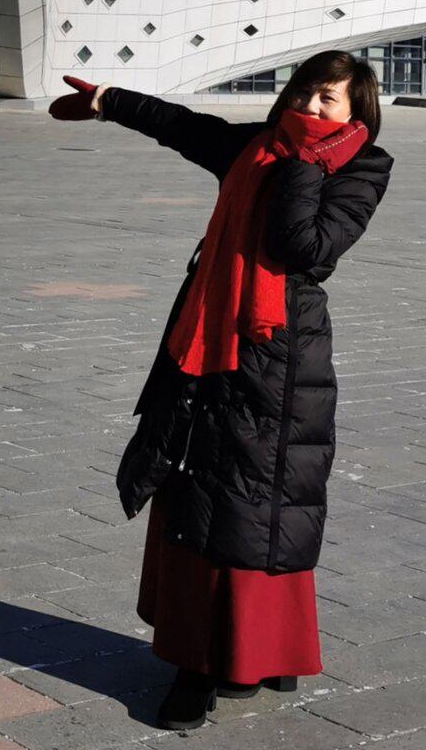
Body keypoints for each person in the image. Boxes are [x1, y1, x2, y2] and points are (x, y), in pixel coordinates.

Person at [50, 50, 393, 731]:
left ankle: (237, 659)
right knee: (198, 488)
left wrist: (303, 160)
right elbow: (181, 124)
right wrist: (109, 100)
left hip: (278, 354)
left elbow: (303, 249)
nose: (314, 107)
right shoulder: (252, 146)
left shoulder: (361, 167)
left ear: (358, 112)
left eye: (330, 99)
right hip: (206, 334)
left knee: (255, 499)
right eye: (307, 93)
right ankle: (198, 659)